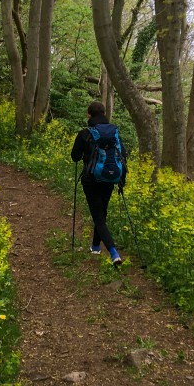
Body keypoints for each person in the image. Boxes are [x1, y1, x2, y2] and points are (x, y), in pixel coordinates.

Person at [71, 101, 125, 268]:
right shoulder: (114, 132)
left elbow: (74, 157)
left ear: (89, 115)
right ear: (104, 113)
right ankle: (95, 246)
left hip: (91, 179)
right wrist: (122, 180)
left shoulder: (85, 133)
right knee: (102, 211)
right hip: (110, 178)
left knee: (98, 216)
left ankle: (113, 252)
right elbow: (123, 155)